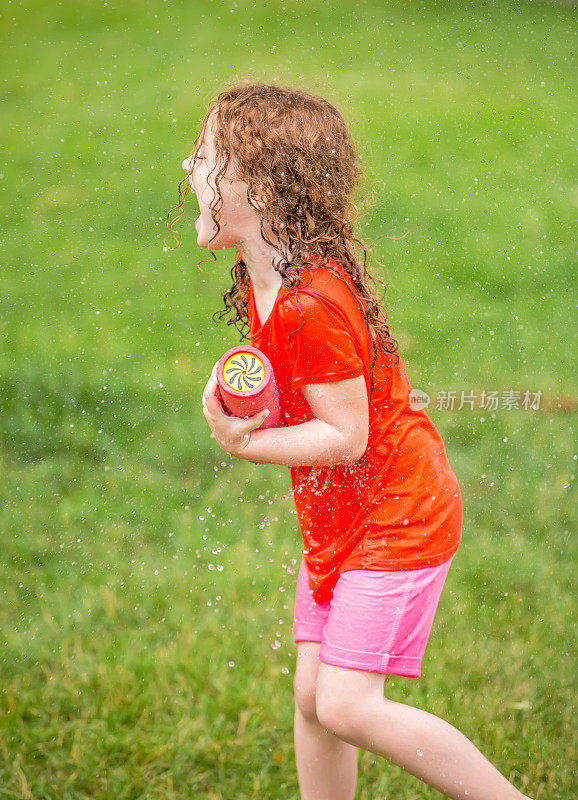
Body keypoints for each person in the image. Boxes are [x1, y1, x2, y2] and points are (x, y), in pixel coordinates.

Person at [170, 80, 532, 800]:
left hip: (398, 512)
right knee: (314, 700)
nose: (187, 168)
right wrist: (255, 403)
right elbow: (311, 403)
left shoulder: (310, 302)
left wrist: (241, 445)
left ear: (264, 190)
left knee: (345, 704)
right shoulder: (261, 277)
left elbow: (345, 436)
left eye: (206, 156)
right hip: (343, 516)